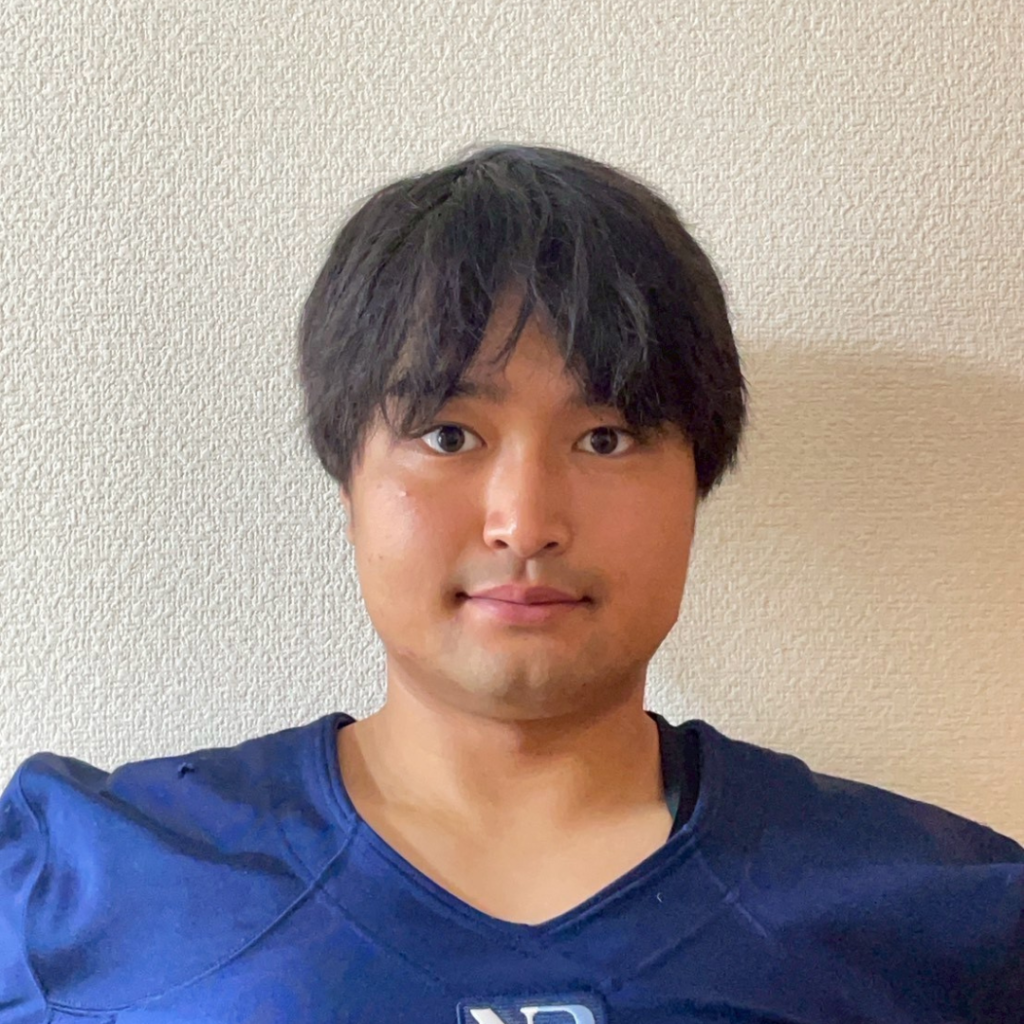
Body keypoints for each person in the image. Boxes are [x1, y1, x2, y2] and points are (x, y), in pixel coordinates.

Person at [1, 144, 1021, 1024]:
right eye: (449, 435)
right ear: (348, 482)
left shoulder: (950, 916)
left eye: (606, 437)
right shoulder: (77, 879)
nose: (526, 522)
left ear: (697, 483)